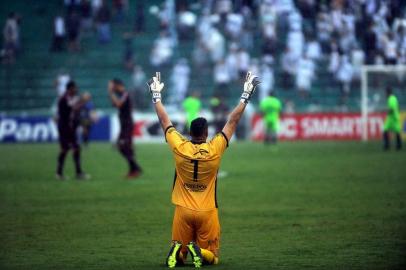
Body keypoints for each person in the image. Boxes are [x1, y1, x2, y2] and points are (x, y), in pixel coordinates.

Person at [147, 71, 260, 268]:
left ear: (190, 132)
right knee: (213, 258)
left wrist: (156, 96)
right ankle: (198, 251)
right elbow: (232, 121)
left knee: (179, 257)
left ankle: (178, 251)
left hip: (183, 210)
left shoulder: (180, 147)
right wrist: (245, 96)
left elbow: (164, 120)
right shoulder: (215, 148)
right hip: (207, 211)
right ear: (207, 133)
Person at [108, 79, 142, 178]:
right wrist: (112, 94)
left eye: (112, 85)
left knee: (123, 146)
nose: (112, 87)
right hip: (124, 124)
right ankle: (134, 169)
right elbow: (115, 104)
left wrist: (110, 92)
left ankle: (134, 169)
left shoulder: (125, 94)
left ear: (117, 85)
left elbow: (118, 104)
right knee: (124, 147)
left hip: (127, 124)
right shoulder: (121, 95)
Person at [56, 81, 90, 180]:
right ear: (69, 89)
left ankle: (78, 173)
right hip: (64, 127)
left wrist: (81, 124)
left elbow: (76, 111)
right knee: (64, 149)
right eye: (74, 88)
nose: (76, 90)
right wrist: (83, 101)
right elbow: (71, 109)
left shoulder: (73, 98)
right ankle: (59, 173)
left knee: (76, 149)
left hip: (71, 128)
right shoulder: (63, 99)